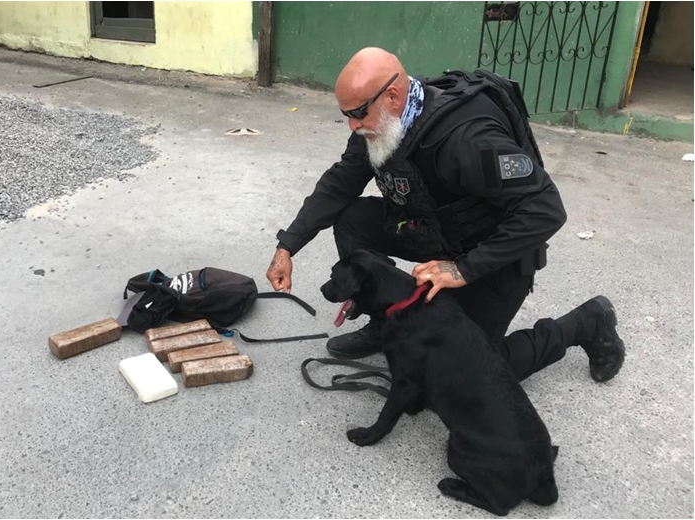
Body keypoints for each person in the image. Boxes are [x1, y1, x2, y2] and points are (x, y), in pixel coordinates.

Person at [265, 47, 625, 383]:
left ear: (392, 96)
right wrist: (288, 246)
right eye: (346, 115)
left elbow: (546, 209)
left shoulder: (469, 140)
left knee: (466, 373)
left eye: (358, 113)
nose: (353, 126)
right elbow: (340, 183)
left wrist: (463, 269)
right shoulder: (379, 123)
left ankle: (587, 322)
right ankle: (385, 318)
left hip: (492, 254)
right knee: (352, 217)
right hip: (433, 230)